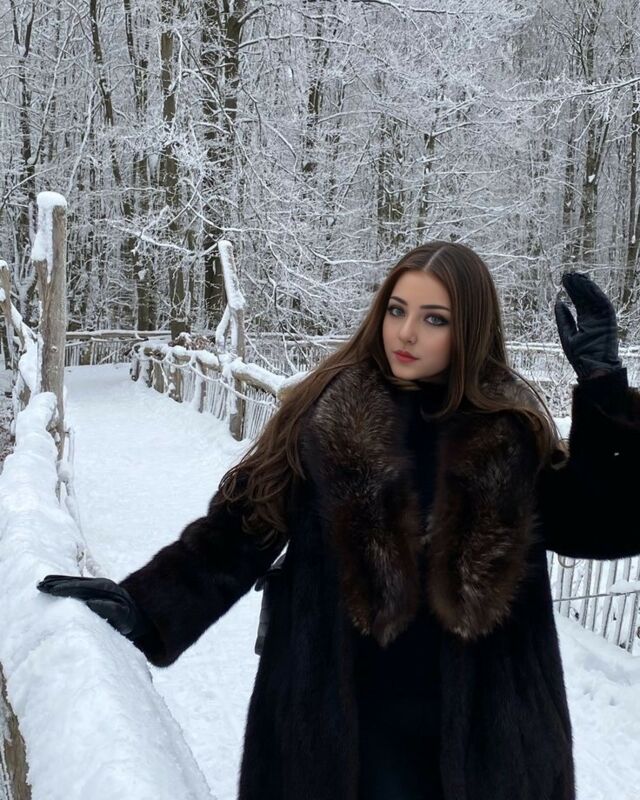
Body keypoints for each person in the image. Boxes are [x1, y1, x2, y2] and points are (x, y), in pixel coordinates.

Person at [38, 241, 640, 800]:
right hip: (336, 741)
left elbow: (607, 524)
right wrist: (144, 606)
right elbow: (238, 532)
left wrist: (605, 388)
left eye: (434, 319)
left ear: (471, 330)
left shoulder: (512, 433)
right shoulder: (325, 416)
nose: (406, 332)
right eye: (397, 310)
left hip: (489, 752)